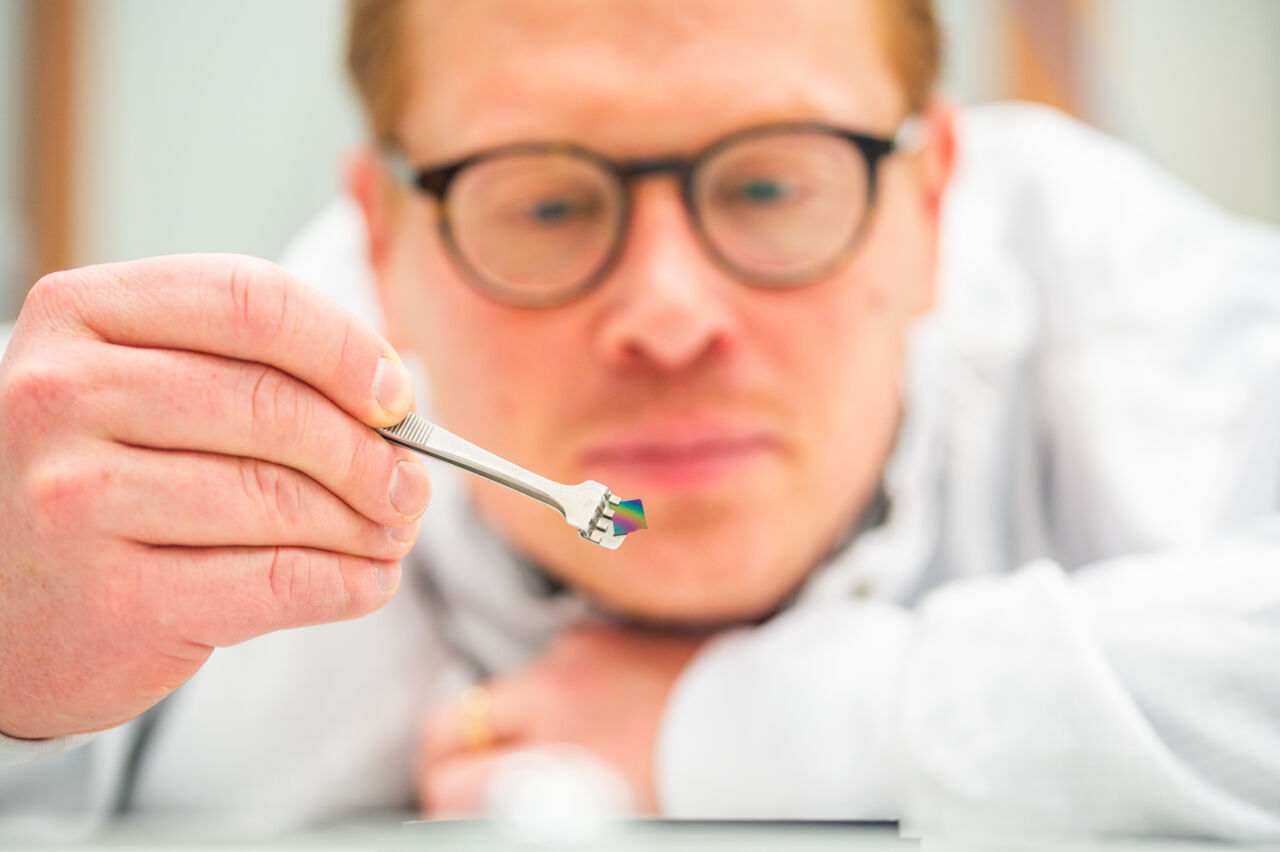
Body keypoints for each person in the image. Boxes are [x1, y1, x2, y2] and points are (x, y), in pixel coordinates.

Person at [2, 0, 1279, 841]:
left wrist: (735, 727)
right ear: (381, 242)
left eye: (770, 186)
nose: (667, 318)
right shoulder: (203, 441)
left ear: (933, 205)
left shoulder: (1136, 311)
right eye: (547, 206)